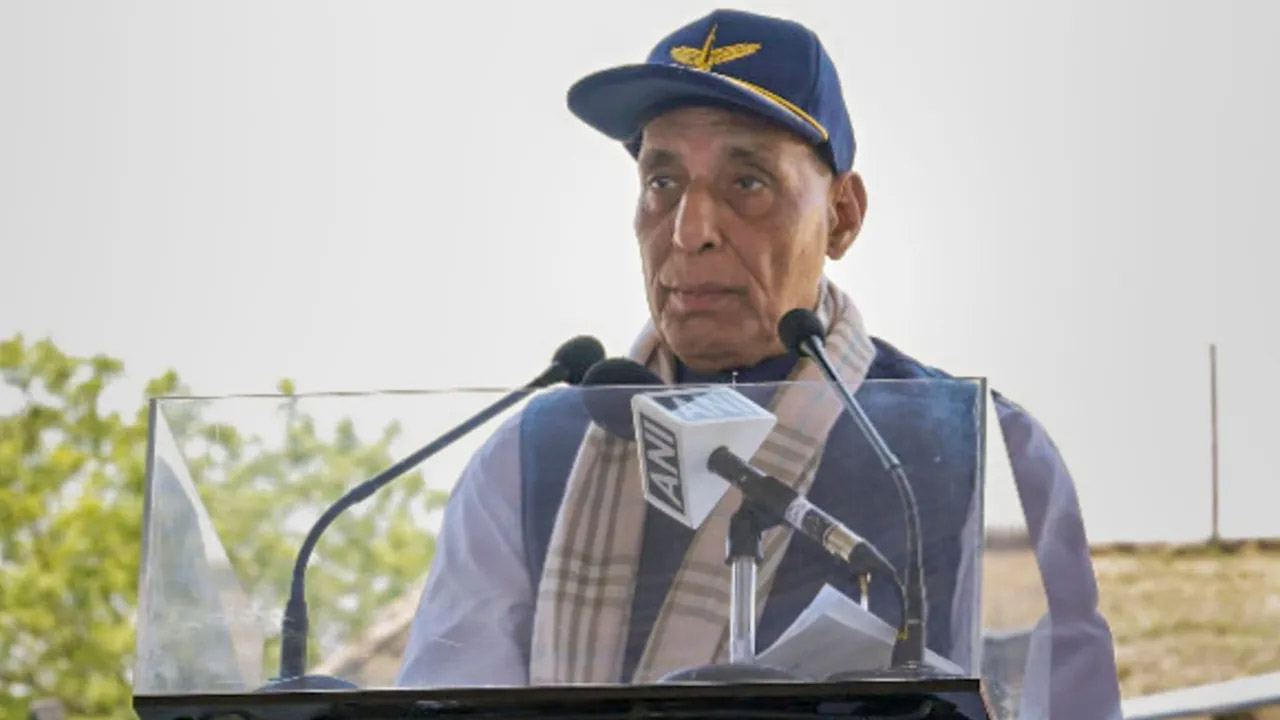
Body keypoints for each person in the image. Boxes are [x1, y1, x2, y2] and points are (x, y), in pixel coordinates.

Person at [397, 8, 1122, 718]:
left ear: (843, 215)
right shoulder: (529, 459)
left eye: (747, 183)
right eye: (662, 184)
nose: (690, 231)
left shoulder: (978, 452)